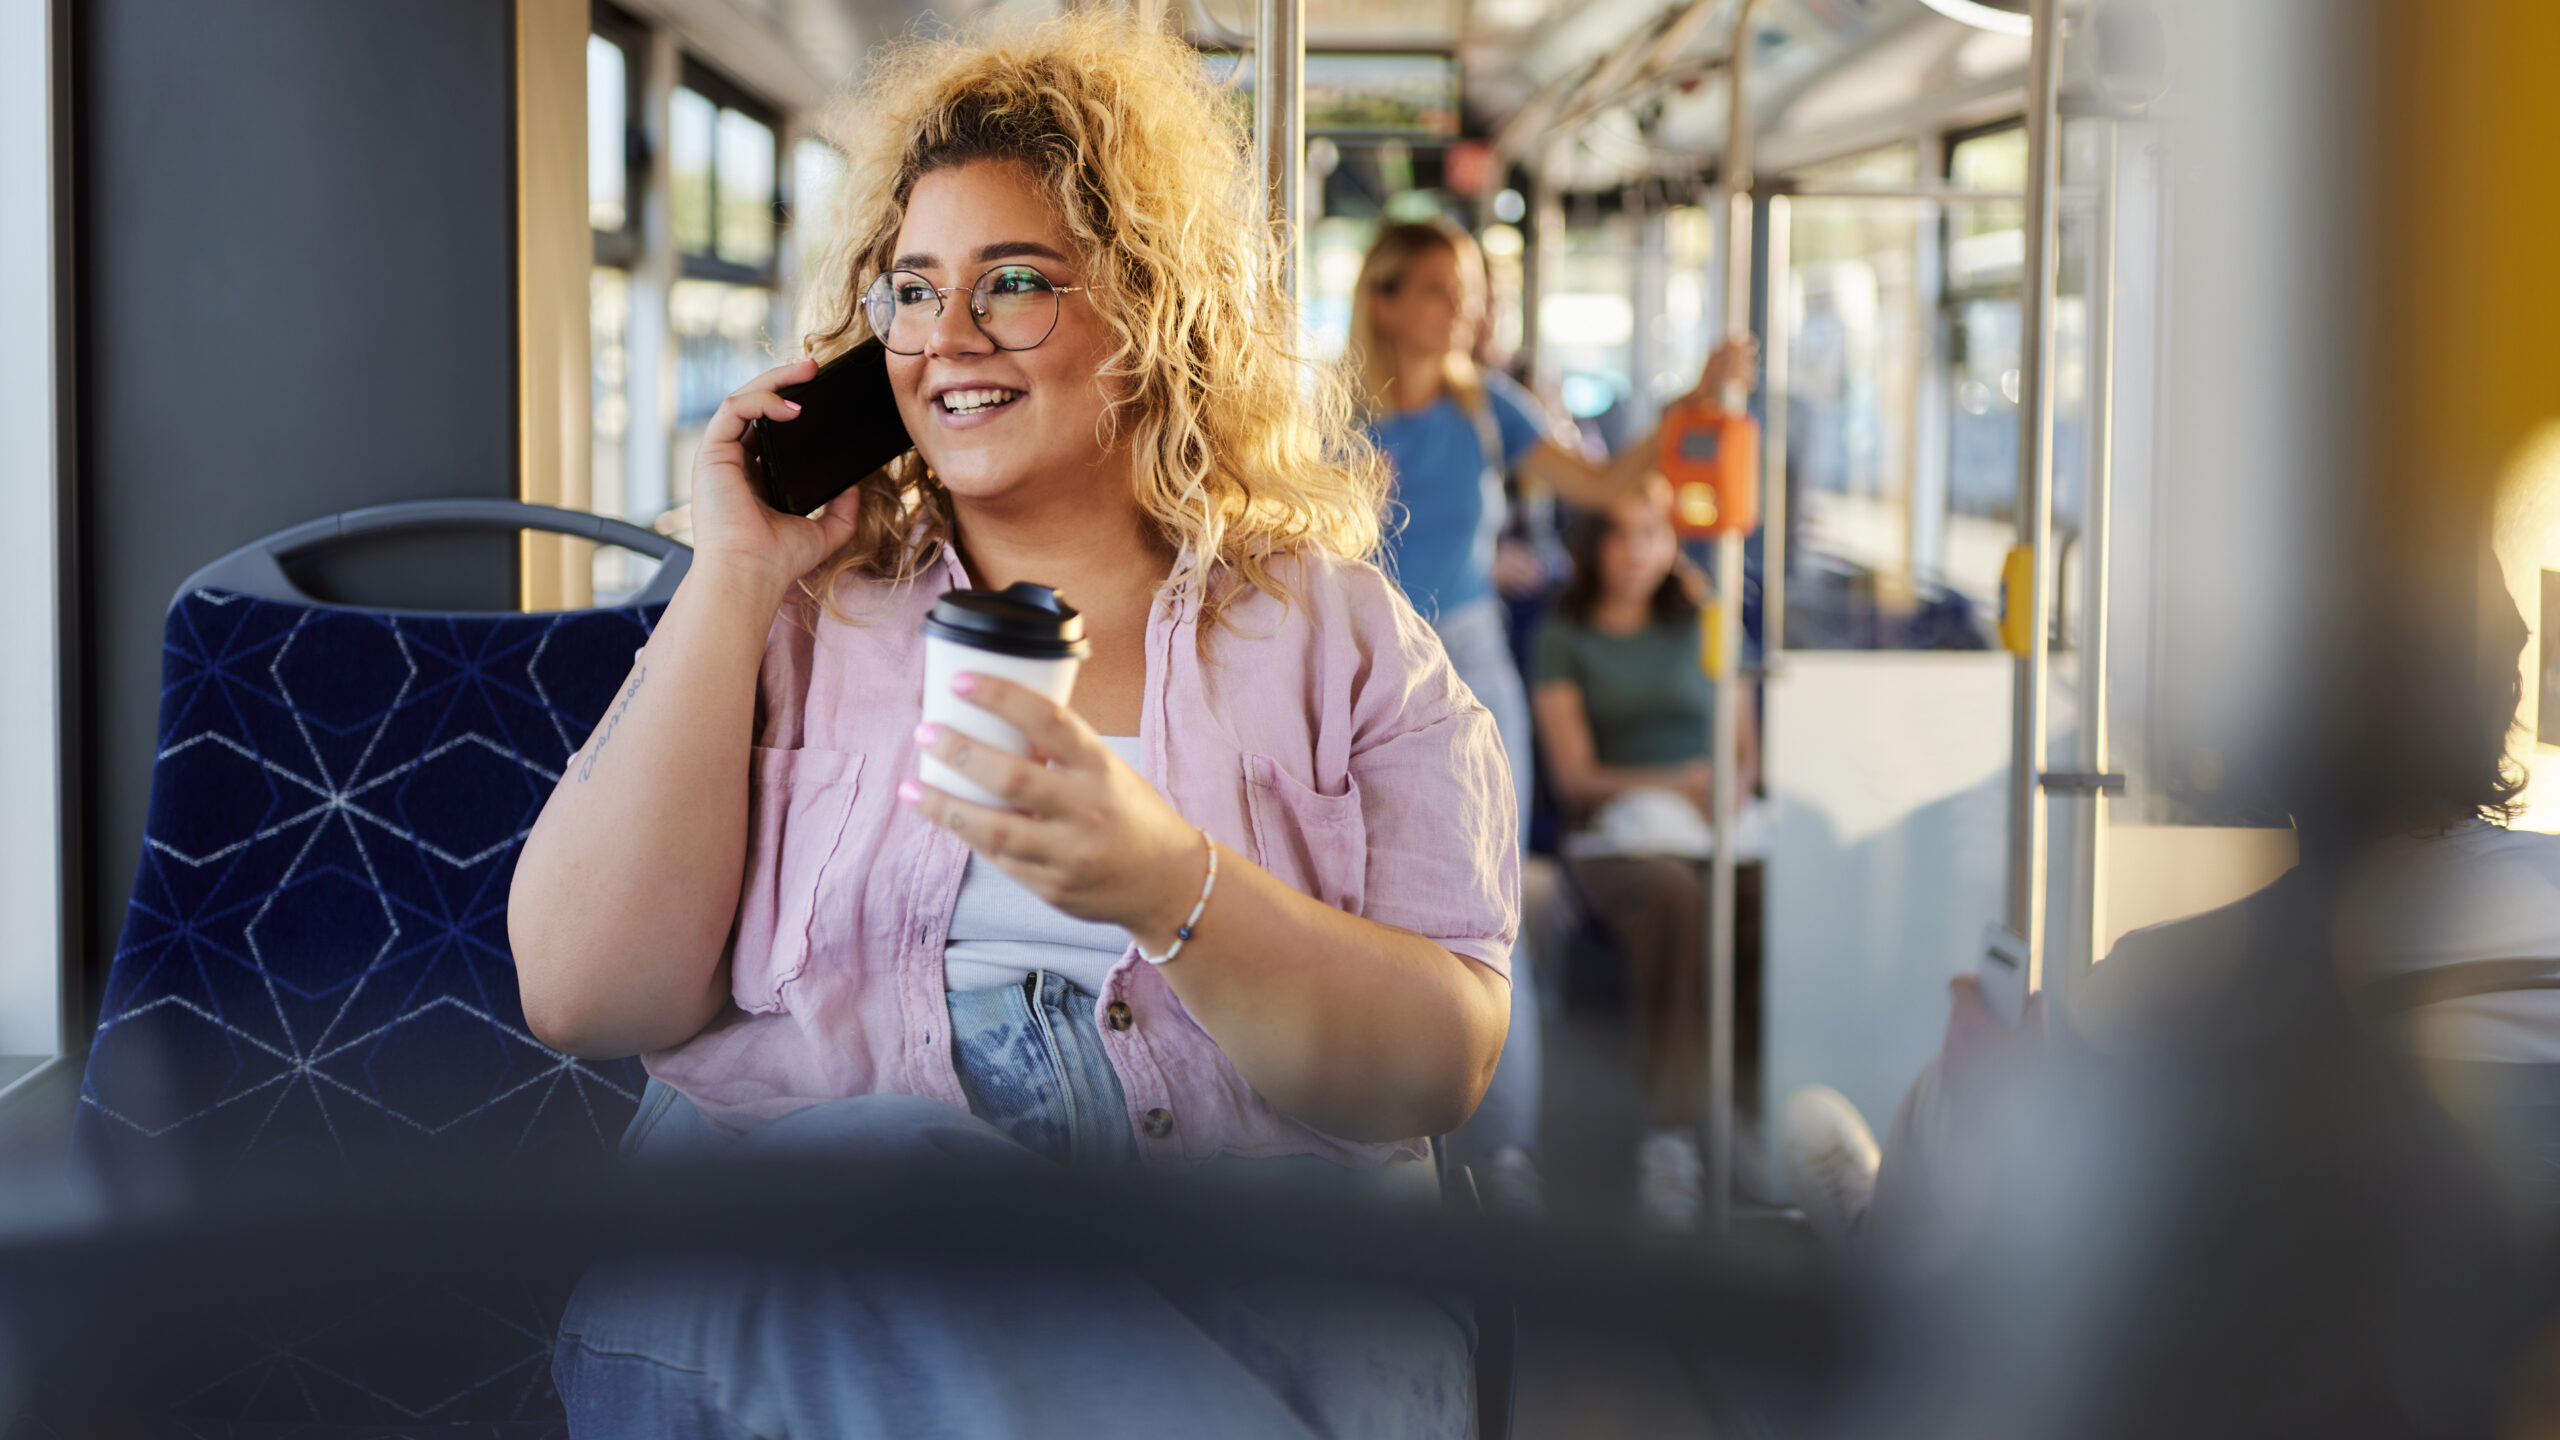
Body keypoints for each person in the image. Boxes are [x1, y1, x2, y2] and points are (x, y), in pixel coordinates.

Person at [507, 16, 1516, 1434]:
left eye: (1016, 283)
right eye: (911, 293)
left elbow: (1440, 1066)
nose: (947, 339)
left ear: (1153, 315)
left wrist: (1172, 886)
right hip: (805, 1262)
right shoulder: (781, 619)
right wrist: (735, 575)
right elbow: (581, 996)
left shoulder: (1344, 641)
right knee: (900, 1184)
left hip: (1248, 1246)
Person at [1348, 219, 1752, 1211]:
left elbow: (1611, 484)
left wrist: (1696, 401)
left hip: (1472, 664)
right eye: (1442, 288)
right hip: (1357, 663)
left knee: (1490, 912)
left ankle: (1506, 1154)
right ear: (1385, 299)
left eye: (1472, 288)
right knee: (1353, 903)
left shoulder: (1493, 411)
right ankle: (1375, 1138)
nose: (1464, 307)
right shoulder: (1331, 417)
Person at [1531, 480, 1760, 1232]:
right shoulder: (1565, 637)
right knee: (1675, 897)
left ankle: (1748, 1107)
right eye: (1622, 536)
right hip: (1616, 832)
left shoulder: (1701, 622)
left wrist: (1725, 791)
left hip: (1711, 820)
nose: (1638, 553)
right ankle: (1673, 1132)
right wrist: (1674, 784)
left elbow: (1744, 747)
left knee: (1764, 896)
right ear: (1594, 547)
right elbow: (1575, 780)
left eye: (1655, 535)